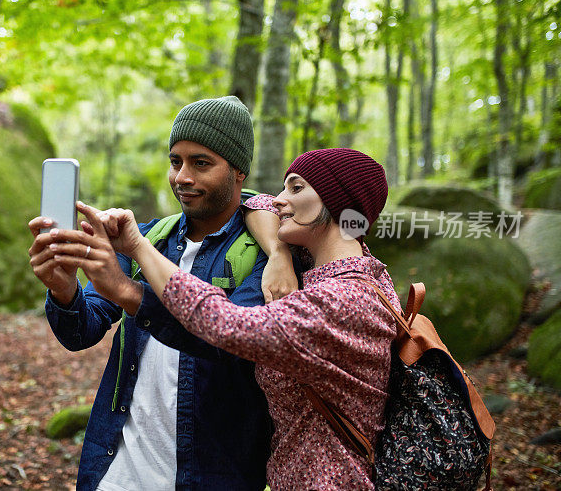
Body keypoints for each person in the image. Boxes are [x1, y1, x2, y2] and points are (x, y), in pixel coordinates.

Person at [52, 148, 399, 490]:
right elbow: (255, 201)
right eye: (175, 162)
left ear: (338, 205)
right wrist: (279, 251)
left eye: (296, 188)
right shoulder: (342, 269)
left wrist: (136, 257)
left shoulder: (346, 299)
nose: (279, 200)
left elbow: (228, 325)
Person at [28, 96, 298, 490]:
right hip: (116, 469)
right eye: (176, 162)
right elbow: (80, 332)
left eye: (200, 163)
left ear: (239, 170)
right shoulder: (151, 237)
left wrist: (129, 291)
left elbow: (234, 342)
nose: (182, 177)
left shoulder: (267, 256)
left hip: (212, 473)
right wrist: (64, 287)